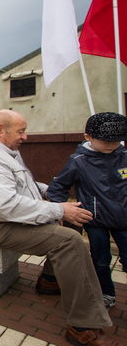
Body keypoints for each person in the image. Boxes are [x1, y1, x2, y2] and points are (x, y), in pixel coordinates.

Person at [0, 110, 120, 346]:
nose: (25, 136)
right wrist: (60, 210)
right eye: (21, 131)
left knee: (73, 227)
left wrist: (49, 191)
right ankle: (82, 326)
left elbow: (21, 185)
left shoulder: (2, 149)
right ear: (1, 129)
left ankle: (49, 281)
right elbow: (7, 206)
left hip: (2, 219)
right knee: (69, 240)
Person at [46, 112, 127, 312]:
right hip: (95, 221)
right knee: (100, 261)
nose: (111, 146)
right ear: (88, 137)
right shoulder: (79, 161)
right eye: (105, 141)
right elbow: (57, 187)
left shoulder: (124, 157)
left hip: (125, 221)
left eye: (116, 141)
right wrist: (61, 211)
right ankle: (106, 294)